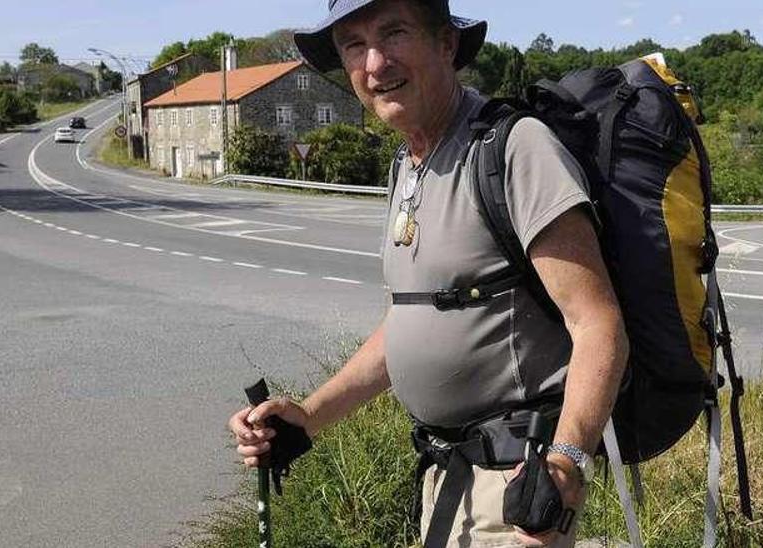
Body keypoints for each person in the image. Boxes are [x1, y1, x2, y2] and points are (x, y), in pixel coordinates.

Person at [227, 0, 629, 546]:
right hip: (445, 478)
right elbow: (411, 318)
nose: (374, 63)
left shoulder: (512, 148)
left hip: (516, 487)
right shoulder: (409, 164)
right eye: (354, 45)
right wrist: (309, 416)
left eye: (394, 33)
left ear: (446, 44)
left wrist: (564, 465)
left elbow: (598, 323)